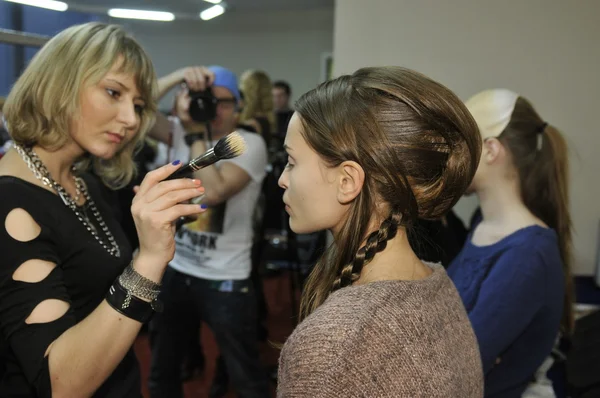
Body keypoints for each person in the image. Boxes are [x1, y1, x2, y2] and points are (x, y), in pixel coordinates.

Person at [0, 22, 206, 397]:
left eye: (139, 106)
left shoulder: (83, 182)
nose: (130, 120)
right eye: (113, 92)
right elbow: (61, 383)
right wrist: (149, 259)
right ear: (59, 83)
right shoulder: (10, 204)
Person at [276, 66, 484, 397]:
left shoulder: (333, 345)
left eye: (291, 161)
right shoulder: (436, 283)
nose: (282, 180)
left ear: (347, 181)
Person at [148, 66, 270, 398]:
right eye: (205, 100)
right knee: (162, 368)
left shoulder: (248, 143)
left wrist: (195, 132)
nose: (213, 110)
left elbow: (212, 192)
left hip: (225, 277)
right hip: (176, 269)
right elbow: (137, 104)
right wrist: (178, 77)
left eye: (223, 103)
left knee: (245, 374)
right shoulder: (175, 130)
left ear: (239, 106)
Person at [447, 89, 574, 397]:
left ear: (491, 150)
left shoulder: (527, 254)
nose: (451, 158)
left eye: (462, 144)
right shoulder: (483, 223)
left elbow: (456, 366)